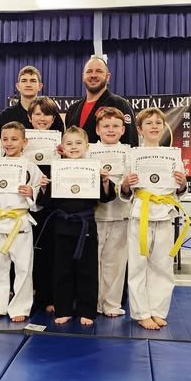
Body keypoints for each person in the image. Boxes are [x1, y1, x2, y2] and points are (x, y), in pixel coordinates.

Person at [37, 126, 116, 326]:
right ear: (62, 147)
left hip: (86, 225)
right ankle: (63, 309)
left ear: (87, 146)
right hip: (62, 225)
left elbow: (105, 197)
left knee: (87, 270)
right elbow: (47, 203)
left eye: (78, 143)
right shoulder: (57, 168)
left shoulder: (93, 169)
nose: (74, 147)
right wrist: (45, 187)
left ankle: (87, 310)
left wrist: (105, 181)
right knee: (61, 269)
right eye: (69, 143)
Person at [120, 107, 188, 330]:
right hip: (140, 213)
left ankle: (158, 310)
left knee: (162, 265)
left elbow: (180, 189)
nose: (154, 126)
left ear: (164, 127)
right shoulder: (131, 155)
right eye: (149, 123)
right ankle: (141, 313)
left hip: (164, 214)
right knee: (138, 265)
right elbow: (125, 191)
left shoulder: (173, 156)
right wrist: (127, 184)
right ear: (139, 129)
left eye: (158, 122)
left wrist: (182, 183)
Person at [0, 121, 43, 322]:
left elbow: (40, 195)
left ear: (24, 142)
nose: (9, 143)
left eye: (14, 139)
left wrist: (32, 192)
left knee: (23, 268)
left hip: (20, 223)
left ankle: (20, 308)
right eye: (5, 139)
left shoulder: (31, 167)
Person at [91, 107, 131, 317]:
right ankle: (93, 302)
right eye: (106, 126)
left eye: (116, 126)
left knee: (115, 262)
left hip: (121, 213)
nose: (111, 130)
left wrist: (127, 184)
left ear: (123, 130)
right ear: (97, 130)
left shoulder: (130, 153)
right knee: (93, 261)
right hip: (95, 215)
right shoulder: (88, 151)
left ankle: (112, 304)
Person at [27, 96, 59, 313]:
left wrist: (63, 156)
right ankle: (29, 294)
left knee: (50, 252)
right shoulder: (22, 141)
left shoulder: (60, 142)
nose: (42, 118)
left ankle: (49, 295)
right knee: (28, 253)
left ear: (53, 118)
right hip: (27, 202)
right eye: (37, 114)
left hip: (52, 203)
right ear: (30, 118)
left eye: (47, 114)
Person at [65, 55, 138, 146]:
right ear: (83, 76)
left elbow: (131, 142)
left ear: (108, 77)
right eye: (89, 71)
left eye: (99, 71)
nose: (93, 75)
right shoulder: (73, 109)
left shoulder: (120, 104)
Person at [0, 65, 64, 133]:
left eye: (33, 81)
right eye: (24, 81)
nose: (28, 84)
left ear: (40, 86)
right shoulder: (6, 115)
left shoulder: (52, 114)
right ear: (18, 86)